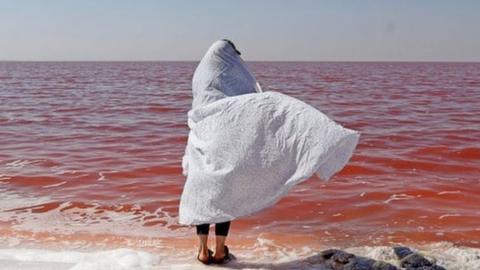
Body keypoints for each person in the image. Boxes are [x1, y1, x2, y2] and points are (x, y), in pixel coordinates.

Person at [178, 39, 359, 266]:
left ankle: (203, 251)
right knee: (222, 195)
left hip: (202, 140)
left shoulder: (201, 76)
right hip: (224, 144)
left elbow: (202, 106)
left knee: (204, 195)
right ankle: (221, 250)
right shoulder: (230, 73)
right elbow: (244, 104)